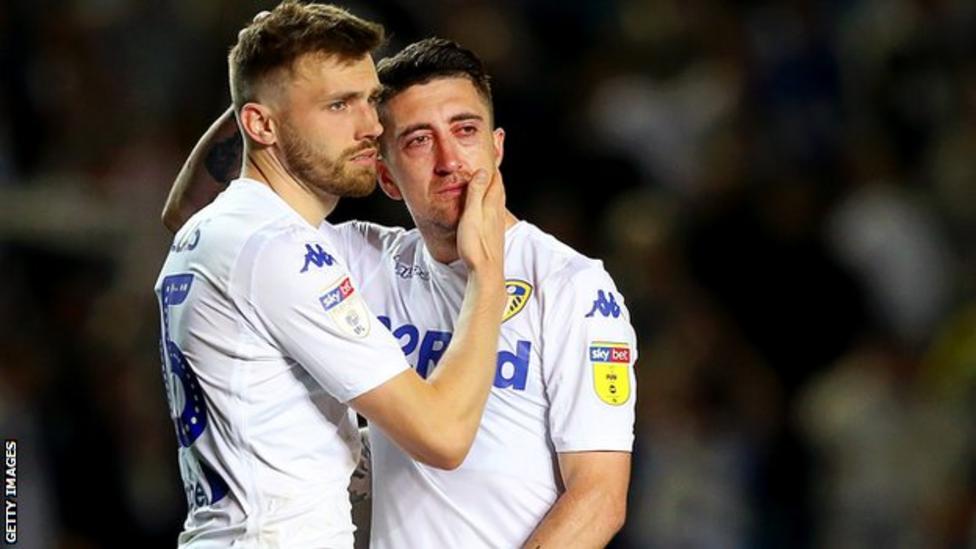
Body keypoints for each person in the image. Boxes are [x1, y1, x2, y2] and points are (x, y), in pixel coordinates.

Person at [163, 37, 636, 548]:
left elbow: (598, 498)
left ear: (497, 147)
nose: (450, 159)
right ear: (384, 174)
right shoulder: (360, 261)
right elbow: (204, 216)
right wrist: (274, 84)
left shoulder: (570, 284)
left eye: (465, 130)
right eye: (417, 140)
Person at [154, 4, 507, 548]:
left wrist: (268, 72)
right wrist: (487, 274)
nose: (372, 127)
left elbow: (182, 210)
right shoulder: (279, 251)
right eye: (339, 105)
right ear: (260, 124)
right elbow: (444, 434)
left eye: (371, 100)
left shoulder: (221, 229)